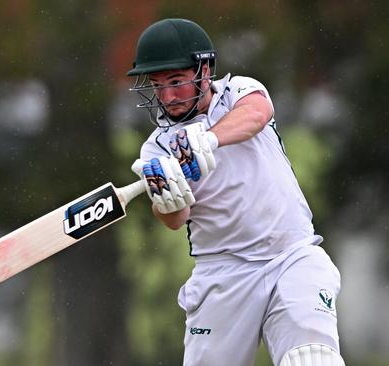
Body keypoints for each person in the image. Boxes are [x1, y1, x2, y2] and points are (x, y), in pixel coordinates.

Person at [127, 18, 344, 366]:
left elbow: (257, 114)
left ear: (205, 69)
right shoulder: (157, 150)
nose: (167, 96)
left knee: (312, 359)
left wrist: (209, 138)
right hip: (221, 274)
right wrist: (168, 200)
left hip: (291, 256)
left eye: (176, 82)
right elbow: (173, 219)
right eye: (157, 85)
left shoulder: (239, 92)